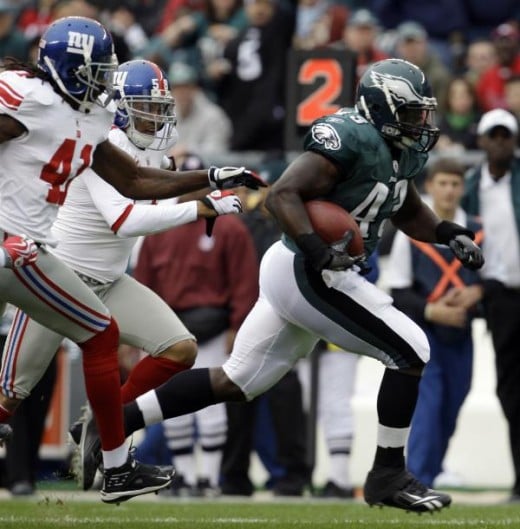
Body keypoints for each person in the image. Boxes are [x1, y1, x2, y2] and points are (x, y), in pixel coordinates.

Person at [76, 58, 485, 512]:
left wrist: (447, 233)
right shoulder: (349, 137)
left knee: (237, 380)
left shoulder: (398, 150)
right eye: (409, 112)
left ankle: (112, 420)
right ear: (380, 107)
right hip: (307, 267)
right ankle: (388, 475)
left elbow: (402, 203)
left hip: (304, 269)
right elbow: (282, 194)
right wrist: (317, 249)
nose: (419, 122)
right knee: (411, 349)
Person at [0, 15, 262, 504]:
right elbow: (126, 217)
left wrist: (212, 178)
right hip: (40, 261)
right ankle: (111, 458)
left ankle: (109, 445)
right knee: (12, 392)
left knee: (164, 346)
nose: (154, 119)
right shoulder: (47, 107)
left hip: (84, 272)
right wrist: (203, 204)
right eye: (98, 70)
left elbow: (141, 186)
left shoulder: (92, 121)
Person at [133, 183, 257, 497]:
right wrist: (138, 333)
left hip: (212, 323)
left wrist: (237, 326)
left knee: (211, 406)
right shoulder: (158, 228)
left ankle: (210, 478)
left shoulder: (228, 227)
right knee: (172, 404)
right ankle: (187, 476)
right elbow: (143, 284)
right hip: (168, 326)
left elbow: (244, 281)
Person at [386, 157, 484, 489]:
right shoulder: (413, 232)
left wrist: (475, 296)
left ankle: (431, 470)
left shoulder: (477, 230)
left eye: (455, 184)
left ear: (462, 188)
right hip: (425, 334)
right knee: (429, 404)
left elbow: (494, 280)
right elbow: (398, 290)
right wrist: (431, 311)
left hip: (462, 333)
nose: (449, 190)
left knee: (454, 401)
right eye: (442, 183)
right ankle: (415, 478)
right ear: (430, 186)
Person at [460, 108, 520, 502]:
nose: (499, 142)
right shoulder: (470, 188)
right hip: (500, 297)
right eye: (492, 135)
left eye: (505, 135)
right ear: (481, 140)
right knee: (511, 390)